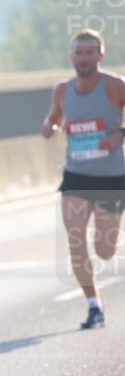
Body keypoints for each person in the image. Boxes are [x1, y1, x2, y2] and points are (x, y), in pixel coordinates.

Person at [41, 29, 125, 329]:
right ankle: (94, 305)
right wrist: (49, 127)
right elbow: (54, 117)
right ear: (71, 56)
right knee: (76, 242)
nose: (84, 58)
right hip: (76, 176)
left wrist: (119, 135)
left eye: (90, 52)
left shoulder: (115, 86)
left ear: (101, 55)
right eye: (79, 52)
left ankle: (108, 234)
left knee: (104, 250)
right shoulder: (63, 90)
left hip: (111, 178)